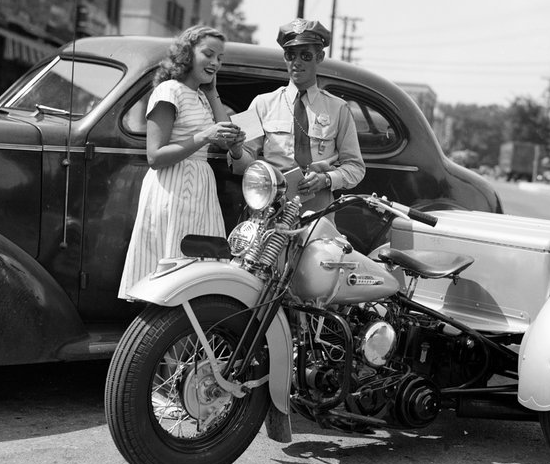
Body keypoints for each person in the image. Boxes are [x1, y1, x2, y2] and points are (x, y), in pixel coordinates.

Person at [118, 25, 243, 299]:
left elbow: (230, 137)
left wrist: (212, 93)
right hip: (173, 188)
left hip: (199, 189)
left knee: (198, 271)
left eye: (220, 58)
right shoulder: (169, 91)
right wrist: (204, 136)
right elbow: (155, 156)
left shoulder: (201, 96)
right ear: (187, 54)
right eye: (208, 54)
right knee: (173, 272)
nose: (215, 63)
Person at [228, 18, 365, 212]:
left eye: (305, 56)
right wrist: (235, 151)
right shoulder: (260, 103)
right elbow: (242, 166)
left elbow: (356, 167)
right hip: (271, 206)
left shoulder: (339, 108)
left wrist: (326, 179)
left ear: (320, 57)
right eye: (290, 55)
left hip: (318, 209)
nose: (297, 62)